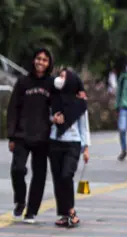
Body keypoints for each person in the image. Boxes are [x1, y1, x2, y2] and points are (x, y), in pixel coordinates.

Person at [6, 48, 55, 224]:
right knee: (17, 169)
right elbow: (13, 109)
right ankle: (20, 200)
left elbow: (63, 103)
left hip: (44, 137)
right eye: (38, 59)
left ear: (49, 64)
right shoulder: (23, 82)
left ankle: (32, 211)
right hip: (22, 135)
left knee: (39, 174)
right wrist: (11, 135)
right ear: (33, 60)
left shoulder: (52, 84)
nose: (41, 62)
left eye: (45, 60)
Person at [49, 68, 90, 228]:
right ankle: (64, 214)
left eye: (64, 77)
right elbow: (47, 117)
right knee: (58, 179)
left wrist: (86, 148)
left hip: (73, 143)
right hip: (54, 141)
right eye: (59, 76)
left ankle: (71, 211)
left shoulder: (80, 104)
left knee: (67, 175)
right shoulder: (53, 100)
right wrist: (53, 119)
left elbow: (84, 127)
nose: (60, 79)